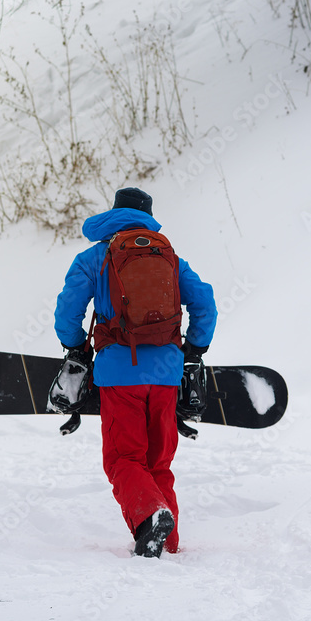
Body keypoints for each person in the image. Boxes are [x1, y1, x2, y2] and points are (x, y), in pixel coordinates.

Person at [54, 187, 217, 557]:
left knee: (123, 459)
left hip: (119, 374)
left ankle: (150, 517)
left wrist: (77, 347)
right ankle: (166, 544)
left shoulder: (94, 257)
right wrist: (193, 350)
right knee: (158, 461)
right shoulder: (171, 258)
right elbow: (206, 305)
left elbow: (68, 312)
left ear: (115, 213)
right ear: (147, 214)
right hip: (167, 375)